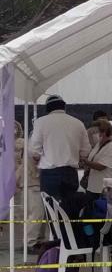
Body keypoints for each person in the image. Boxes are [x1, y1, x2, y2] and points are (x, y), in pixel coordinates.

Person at [30, 94, 91, 208]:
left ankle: (54, 227)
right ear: (64, 107)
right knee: (70, 208)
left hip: (49, 174)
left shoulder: (40, 122)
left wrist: (39, 157)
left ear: (47, 108)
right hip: (70, 173)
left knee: (51, 209)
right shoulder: (78, 123)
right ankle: (67, 226)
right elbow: (85, 151)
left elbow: (34, 150)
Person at [15, 121, 45, 251]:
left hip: (34, 183)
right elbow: (36, 159)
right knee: (36, 214)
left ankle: (38, 241)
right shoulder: (33, 146)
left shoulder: (30, 144)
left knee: (40, 214)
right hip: (33, 183)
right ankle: (30, 243)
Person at [81, 120, 112, 200]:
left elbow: (101, 166)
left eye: (95, 132)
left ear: (104, 132)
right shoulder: (98, 144)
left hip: (104, 188)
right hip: (93, 186)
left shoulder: (111, 146)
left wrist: (86, 162)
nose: (92, 134)